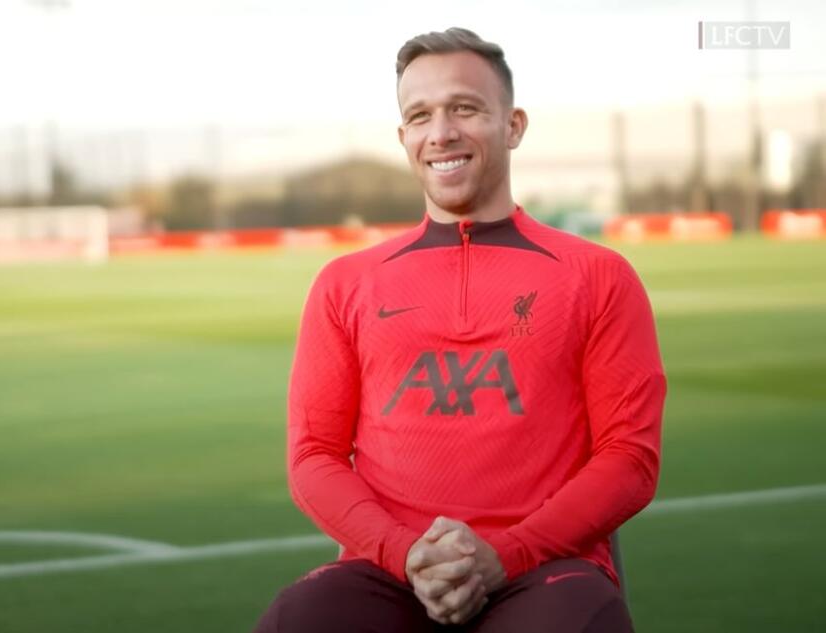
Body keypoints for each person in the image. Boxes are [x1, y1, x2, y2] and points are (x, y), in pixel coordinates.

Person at [253, 27, 665, 632]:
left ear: (513, 126)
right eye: (420, 116)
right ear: (404, 137)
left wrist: (507, 555)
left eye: (465, 108)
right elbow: (313, 456)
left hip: (543, 568)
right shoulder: (345, 284)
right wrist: (405, 554)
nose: (441, 132)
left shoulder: (597, 276)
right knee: (299, 619)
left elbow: (630, 458)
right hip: (390, 569)